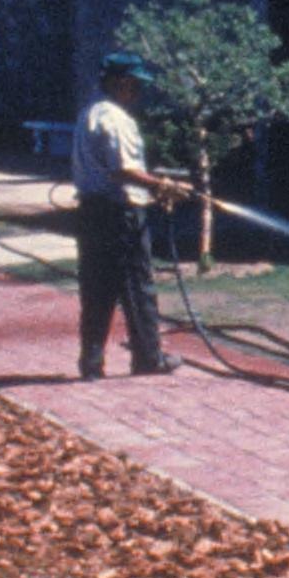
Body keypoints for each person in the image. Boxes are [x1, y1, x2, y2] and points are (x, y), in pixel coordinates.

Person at [72, 51, 195, 379]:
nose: (138, 92)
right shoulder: (116, 119)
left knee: (96, 289)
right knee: (138, 287)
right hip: (120, 215)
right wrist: (163, 185)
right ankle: (148, 358)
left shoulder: (90, 113)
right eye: (134, 85)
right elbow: (123, 169)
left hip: (91, 213)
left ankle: (91, 362)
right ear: (118, 83)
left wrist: (155, 184)